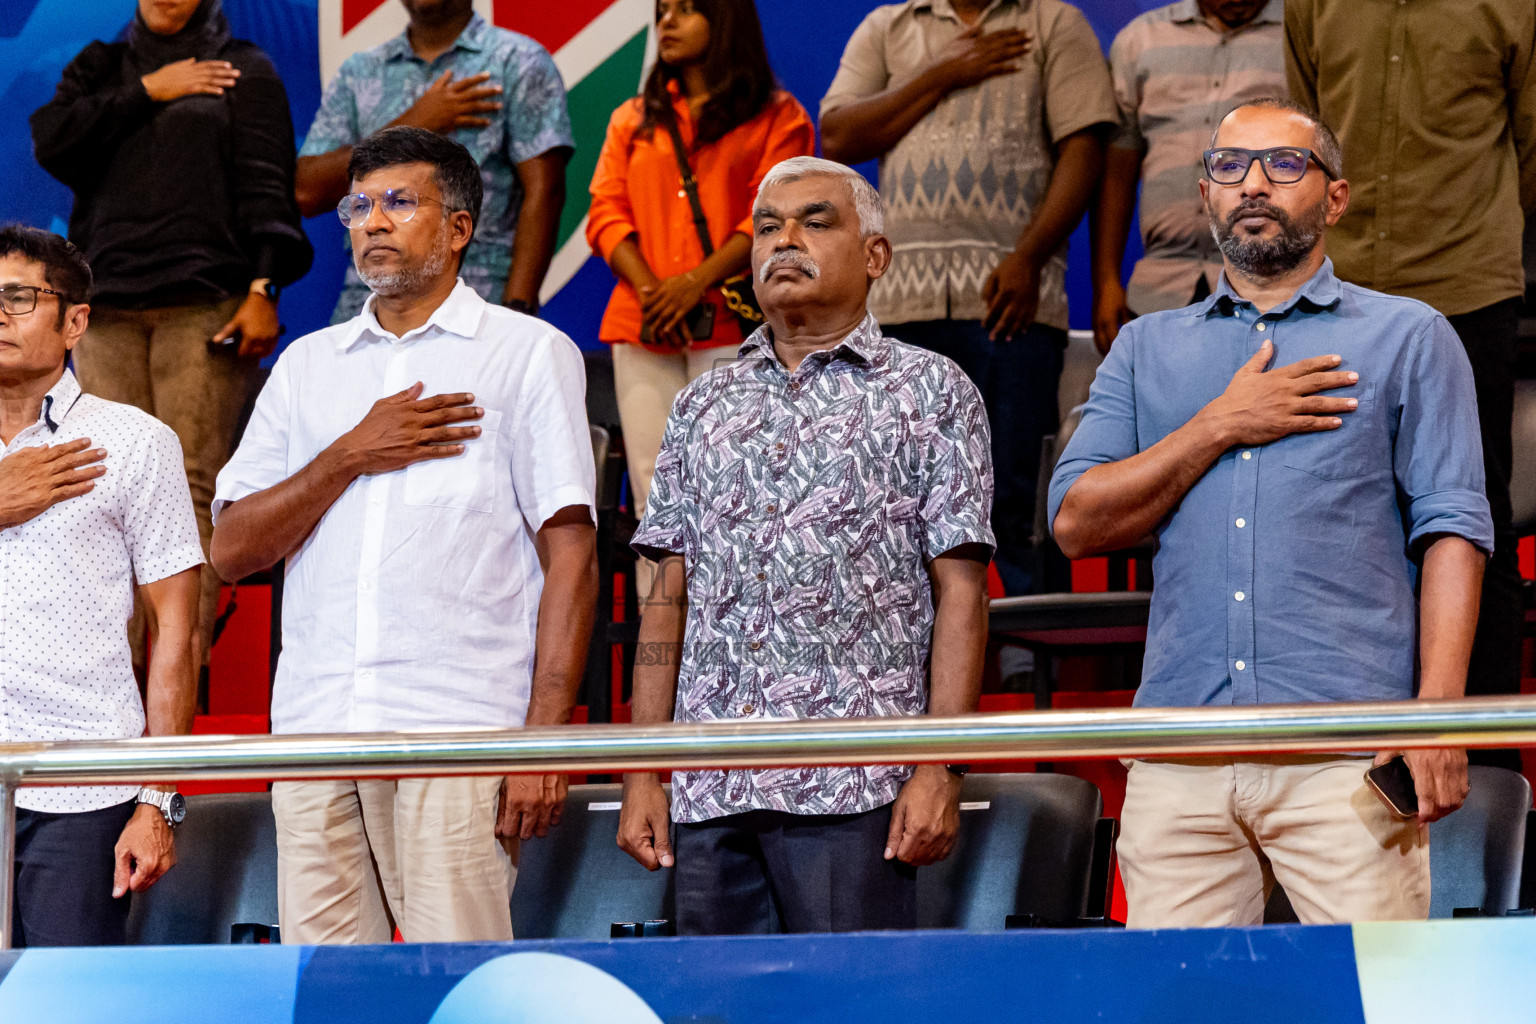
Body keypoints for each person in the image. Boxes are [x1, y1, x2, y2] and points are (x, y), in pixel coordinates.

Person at [1048, 101, 1492, 927]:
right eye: (1229, 167)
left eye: (1284, 166)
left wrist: (1439, 715)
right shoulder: (1145, 349)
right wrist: (1221, 423)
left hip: (1346, 753)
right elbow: (1075, 522)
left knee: (1379, 1003)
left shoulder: (1410, 336)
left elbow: (1454, 532)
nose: (1253, 183)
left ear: (1335, 198)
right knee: (1180, 1010)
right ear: (1207, 196)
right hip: (1181, 752)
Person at [210, 127, 597, 944]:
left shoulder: (527, 353)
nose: (372, 223)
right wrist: (349, 454)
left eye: (399, 203)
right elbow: (235, 550)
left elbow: (571, 553)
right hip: (316, 729)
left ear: (459, 229)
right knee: (327, 1001)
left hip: (458, 729)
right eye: (358, 206)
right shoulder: (308, 365)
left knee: (456, 991)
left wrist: (542, 741)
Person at [616, 157, 994, 935]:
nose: (785, 241)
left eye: (816, 221)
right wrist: (643, 770)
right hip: (710, 787)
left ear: (876, 255)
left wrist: (939, 765)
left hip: (854, 788)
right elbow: (666, 597)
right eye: (767, 228)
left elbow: (961, 593)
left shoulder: (933, 391)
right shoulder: (702, 403)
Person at [1286, 1, 1536, 773]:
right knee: (1331, 518)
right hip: (1338, 290)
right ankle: (1330, 753)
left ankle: (1480, 763)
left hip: (1465, 289)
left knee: (1471, 524)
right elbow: (1302, 136)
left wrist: (1476, 230)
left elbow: (1531, 148)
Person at [29, 0, 312, 676]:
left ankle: (175, 689)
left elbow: (271, 189)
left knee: (190, 489)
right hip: (107, 309)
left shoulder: (245, 67)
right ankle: (109, 698)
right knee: (100, 490)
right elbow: (54, 141)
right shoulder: (102, 67)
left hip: (205, 308)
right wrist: (149, 92)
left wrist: (263, 289)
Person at [819, 0, 1116, 595]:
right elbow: (840, 134)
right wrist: (940, 72)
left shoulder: (1052, 23)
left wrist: (1028, 258)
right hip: (900, 309)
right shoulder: (889, 28)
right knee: (898, 505)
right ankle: (914, 665)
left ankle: (1029, 663)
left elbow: (1085, 152)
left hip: (1010, 303)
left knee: (1015, 496)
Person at [0, 226, 203, 946]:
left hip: (84, 788)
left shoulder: (137, 442)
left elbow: (176, 630)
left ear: (76, 320)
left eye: (18, 298)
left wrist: (157, 799)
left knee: (66, 1007)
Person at [587, 0, 814, 597]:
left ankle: (739, 661)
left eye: (688, 10)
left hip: (737, 332)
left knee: (742, 499)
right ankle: (660, 669)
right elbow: (605, 215)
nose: (668, 21)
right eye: (663, 10)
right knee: (652, 495)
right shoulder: (631, 119)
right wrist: (654, 291)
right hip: (646, 329)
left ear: (728, 21)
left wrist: (694, 283)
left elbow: (772, 216)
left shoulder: (778, 117)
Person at [296, 0, 572, 323]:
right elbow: (307, 191)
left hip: (480, 296)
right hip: (369, 300)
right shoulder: (359, 71)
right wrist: (417, 121)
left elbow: (545, 192)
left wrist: (518, 309)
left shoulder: (518, 60)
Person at [1091, 0, 1285, 353]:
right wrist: (1106, 284)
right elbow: (1116, 175)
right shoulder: (1140, 41)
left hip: (1269, 288)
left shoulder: (1299, 38)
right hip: (1159, 292)